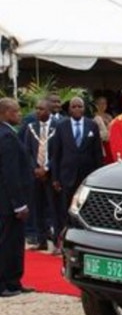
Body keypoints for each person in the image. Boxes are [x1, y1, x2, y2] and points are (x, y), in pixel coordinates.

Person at [50, 97, 103, 248]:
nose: (77, 109)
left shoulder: (92, 125)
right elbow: (56, 154)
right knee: (66, 209)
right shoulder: (61, 126)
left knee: (86, 207)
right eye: (74, 106)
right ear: (69, 109)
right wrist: (55, 178)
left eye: (80, 106)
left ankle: (86, 239)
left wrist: (97, 176)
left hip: (86, 175)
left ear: (84, 108)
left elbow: (97, 153)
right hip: (67, 175)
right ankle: (64, 239)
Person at [0, 98, 34, 297]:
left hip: (9, 201)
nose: (20, 115)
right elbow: (10, 174)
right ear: (5, 113)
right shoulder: (6, 136)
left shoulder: (8, 133)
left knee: (15, 242)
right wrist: (19, 205)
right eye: (16, 111)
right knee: (7, 243)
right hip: (8, 202)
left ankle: (14, 281)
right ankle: (4, 283)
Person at [20, 99, 59, 250]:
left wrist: (47, 168)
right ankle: (41, 240)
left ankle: (56, 242)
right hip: (35, 173)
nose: (38, 111)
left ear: (49, 111)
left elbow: (58, 152)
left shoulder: (58, 127)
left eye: (42, 109)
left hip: (51, 173)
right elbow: (27, 151)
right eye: (37, 109)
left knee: (53, 207)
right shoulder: (31, 127)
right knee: (37, 207)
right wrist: (35, 168)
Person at [92, 95, 113, 164]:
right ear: (96, 105)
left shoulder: (109, 116)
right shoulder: (95, 118)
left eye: (105, 103)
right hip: (102, 145)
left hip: (111, 144)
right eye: (101, 103)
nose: (103, 105)